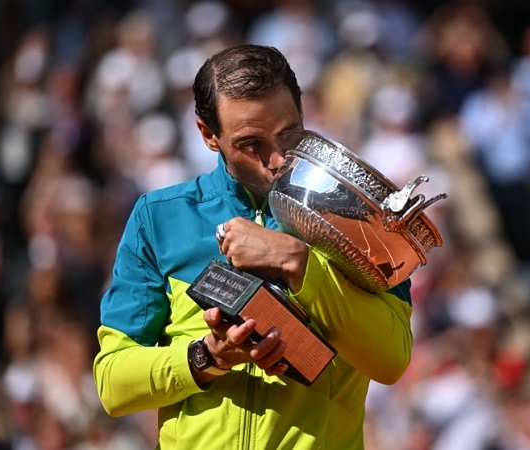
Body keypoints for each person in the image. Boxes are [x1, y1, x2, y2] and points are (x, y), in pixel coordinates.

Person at [93, 44, 413, 449]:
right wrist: (208, 357)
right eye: (250, 143)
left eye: (288, 134)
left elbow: (391, 360)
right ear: (209, 135)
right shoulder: (159, 218)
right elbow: (113, 383)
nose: (277, 158)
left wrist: (297, 262)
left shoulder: (365, 219)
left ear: (302, 113)